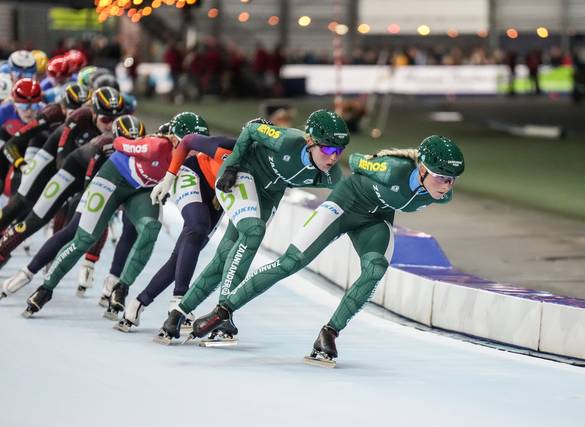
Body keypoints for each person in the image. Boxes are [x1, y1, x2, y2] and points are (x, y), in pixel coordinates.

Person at [190, 135, 465, 363]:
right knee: (290, 263)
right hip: (343, 207)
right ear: (422, 170)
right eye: (442, 178)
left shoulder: (442, 195)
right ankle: (223, 311)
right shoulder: (393, 170)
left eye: (453, 179)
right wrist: (377, 160)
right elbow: (356, 161)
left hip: (374, 220)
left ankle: (329, 333)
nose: (448, 186)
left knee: (376, 269)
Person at [155, 109, 349, 344]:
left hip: (269, 195)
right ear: (309, 141)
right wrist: (232, 166)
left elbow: (349, 198)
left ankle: (177, 314)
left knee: (225, 256)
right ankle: (223, 314)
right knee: (254, 232)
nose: (333, 158)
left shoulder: (332, 173)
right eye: (328, 149)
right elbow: (250, 129)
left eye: (340, 151)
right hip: (243, 175)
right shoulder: (286, 139)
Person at [20, 112, 206, 319]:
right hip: (114, 177)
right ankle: (45, 289)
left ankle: (121, 288)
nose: (191, 153)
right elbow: (118, 142)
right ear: (172, 139)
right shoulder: (156, 146)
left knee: (151, 228)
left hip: (141, 189)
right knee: (85, 239)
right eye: (187, 147)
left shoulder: (192, 158)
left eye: (198, 147)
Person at [0, 115, 145, 300]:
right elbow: (86, 177)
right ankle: (15, 262)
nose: (130, 148)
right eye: (126, 144)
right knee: (36, 219)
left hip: (100, 177)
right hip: (74, 170)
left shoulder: (142, 148)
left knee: (91, 224)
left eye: (136, 144)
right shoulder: (104, 143)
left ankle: (92, 268)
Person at [116, 114, 236, 332]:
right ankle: (179, 300)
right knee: (197, 228)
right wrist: (115, 141)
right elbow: (129, 145)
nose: (185, 151)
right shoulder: (167, 147)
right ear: (172, 139)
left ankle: (138, 303)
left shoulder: (215, 148)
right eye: (180, 145)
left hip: (214, 190)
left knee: (182, 256)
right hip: (189, 174)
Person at [0, 86, 124, 269]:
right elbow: (62, 160)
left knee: (68, 214)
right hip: (53, 163)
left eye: (115, 120)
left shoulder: (119, 127)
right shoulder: (78, 117)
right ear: (93, 113)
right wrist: (21, 165)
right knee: (24, 209)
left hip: (77, 168)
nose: (110, 125)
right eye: (106, 119)